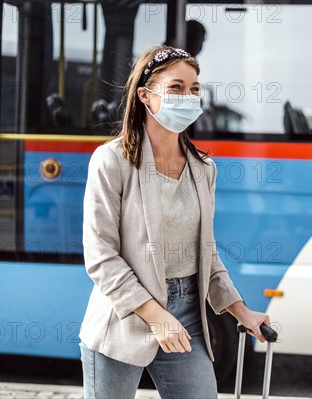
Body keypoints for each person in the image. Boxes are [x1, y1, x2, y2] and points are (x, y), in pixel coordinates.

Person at [78, 45, 272, 399]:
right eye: (176, 87)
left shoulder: (203, 168)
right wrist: (155, 316)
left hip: (187, 311)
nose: (189, 96)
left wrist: (241, 311)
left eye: (195, 88)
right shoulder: (112, 162)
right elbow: (101, 256)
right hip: (124, 315)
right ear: (145, 97)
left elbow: (206, 253)